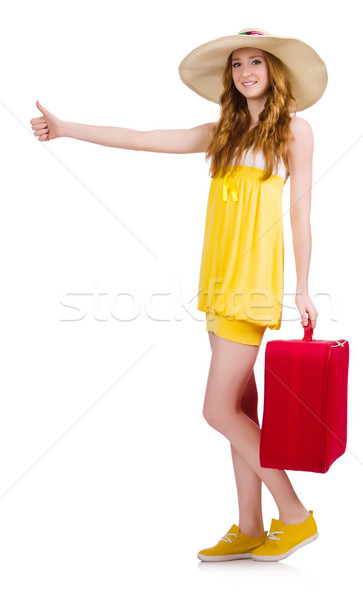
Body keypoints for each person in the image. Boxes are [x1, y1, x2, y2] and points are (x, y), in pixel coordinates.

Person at [30, 27, 326, 563]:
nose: (245, 72)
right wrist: (67, 128)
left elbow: (302, 214)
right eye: (236, 64)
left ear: (274, 71)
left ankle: (295, 515)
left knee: (216, 410)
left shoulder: (295, 132)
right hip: (217, 282)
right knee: (239, 407)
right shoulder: (221, 133)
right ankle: (251, 526)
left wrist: (303, 286)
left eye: (255, 62)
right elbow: (142, 137)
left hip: (251, 284)